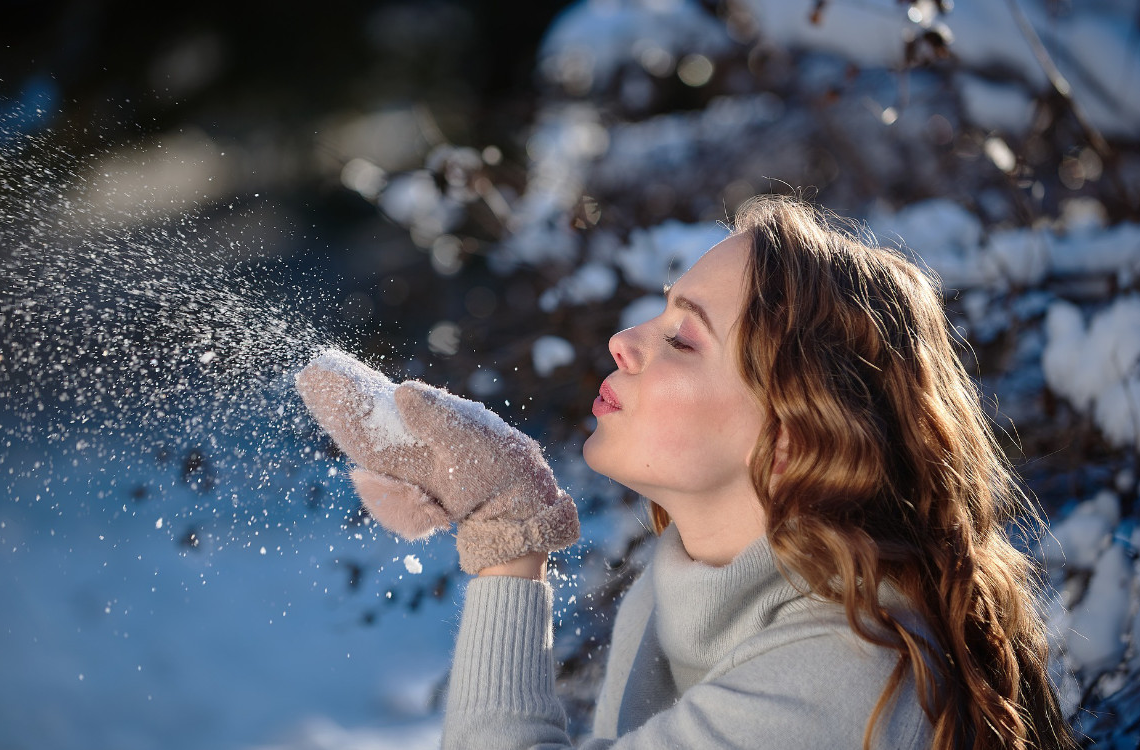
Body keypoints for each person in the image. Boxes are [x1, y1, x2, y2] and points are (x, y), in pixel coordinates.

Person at [296, 195, 1076, 749]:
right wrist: (503, 526)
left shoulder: (845, 678)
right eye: (660, 314)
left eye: (683, 339)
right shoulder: (687, 592)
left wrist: (507, 538)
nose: (625, 340)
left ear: (791, 437)